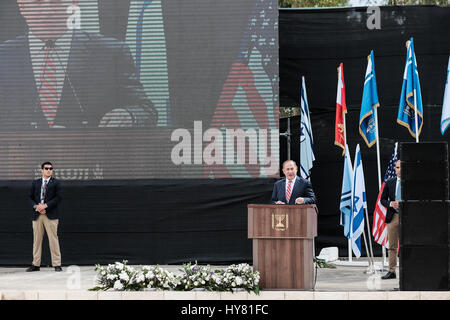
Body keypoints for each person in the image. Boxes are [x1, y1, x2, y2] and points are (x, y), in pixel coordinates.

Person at [0, 0, 157, 130]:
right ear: (22, 7)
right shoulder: (4, 56)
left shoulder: (110, 52)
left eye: (55, 1)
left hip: (92, 162)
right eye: (38, 2)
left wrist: (129, 115)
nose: (48, 10)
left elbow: (147, 111)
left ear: (73, 3)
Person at [27, 162, 63, 272]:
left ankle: (57, 264)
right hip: (37, 214)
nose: (49, 170)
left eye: (51, 168)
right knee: (36, 240)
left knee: (53, 239)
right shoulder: (36, 183)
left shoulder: (56, 183)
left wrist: (45, 206)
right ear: (42, 170)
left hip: (51, 215)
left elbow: (58, 198)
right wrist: (36, 206)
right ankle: (36, 264)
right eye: (46, 168)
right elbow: (29, 197)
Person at [380, 159, 401, 280]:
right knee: (392, 245)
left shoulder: (409, 182)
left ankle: (407, 269)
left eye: (401, 167)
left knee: (406, 244)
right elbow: (382, 200)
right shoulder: (390, 182)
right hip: (393, 216)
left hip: (408, 215)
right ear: (395, 169)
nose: (399, 170)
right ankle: (392, 271)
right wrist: (390, 204)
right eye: (397, 167)